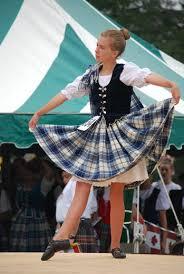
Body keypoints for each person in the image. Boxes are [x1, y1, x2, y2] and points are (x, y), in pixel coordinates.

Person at [29, 28, 180, 260]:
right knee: (82, 184)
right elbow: (66, 93)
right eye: (97, 45)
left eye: (101, 46)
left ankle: (116, 245)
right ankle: (61, 238)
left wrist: (170, 83)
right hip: (96, 136)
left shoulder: (125, 71)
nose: (96, 49)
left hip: (119, 138)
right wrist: (40, 111)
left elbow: (147, 77)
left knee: (117, 191)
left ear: (114, 52)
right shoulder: (91, 74)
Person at [56, 172, 98, 253]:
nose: (64, 180)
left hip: (75, 228)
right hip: (71, 227)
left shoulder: (76, 184)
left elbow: (77, 211)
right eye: (63, 177)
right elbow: (92, 209)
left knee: (77, 262)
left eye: (67, 176)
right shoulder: (73, 185)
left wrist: (71, 237)